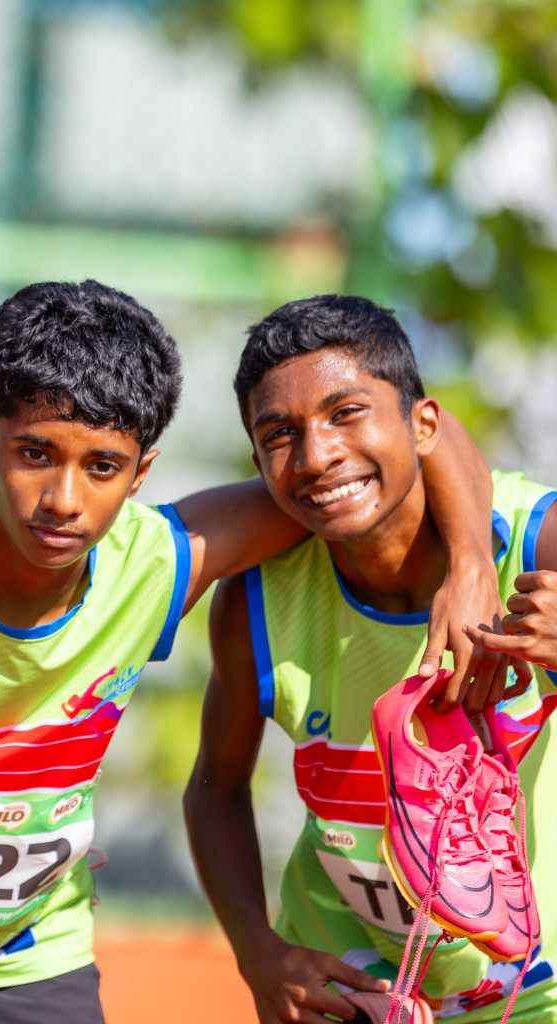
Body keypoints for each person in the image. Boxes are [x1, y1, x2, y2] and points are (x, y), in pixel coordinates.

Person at [0, 281, 499, 1024]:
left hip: (22, 969)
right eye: (35, 455)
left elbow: (409, 441)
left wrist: (470, 566)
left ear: (140, 474)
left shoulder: (162, 560)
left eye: (101, 468)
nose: (63, 500)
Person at [184, 295, 557, 1023]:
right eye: (279, 434)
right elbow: (214, 789)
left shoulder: (534, 543)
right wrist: (258, 953)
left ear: (422, 424)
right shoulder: (253, 601)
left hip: (531, 993)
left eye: (346, 413)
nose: (317, 455)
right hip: (349, 991)